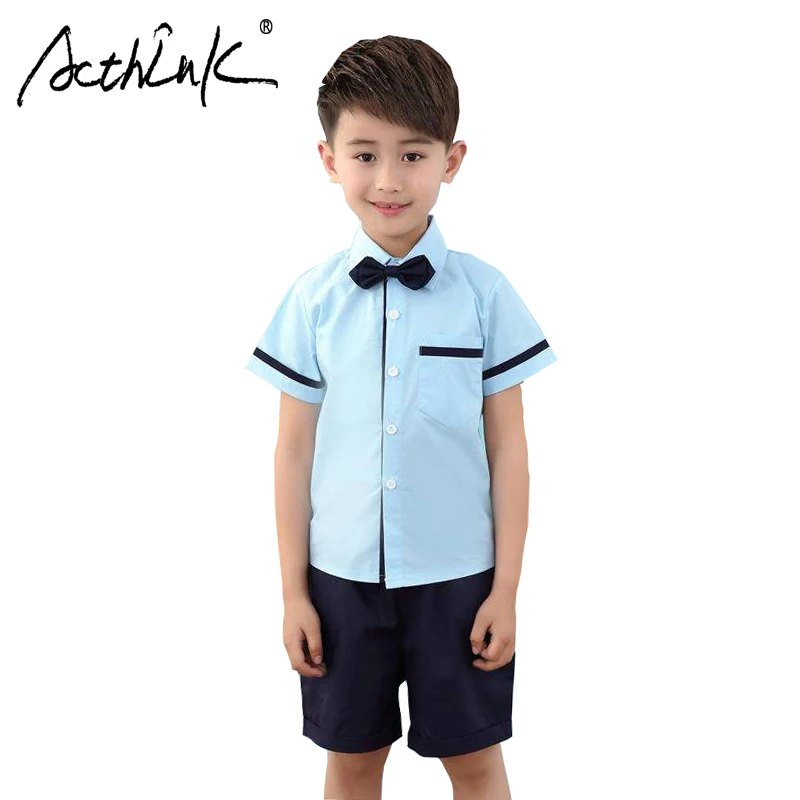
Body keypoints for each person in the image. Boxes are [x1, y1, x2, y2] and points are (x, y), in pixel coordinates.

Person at [245, 34, 557, 800]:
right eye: (365, 154)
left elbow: (510, 450)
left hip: (460, 581)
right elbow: (291, 452)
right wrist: (293, 593)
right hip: (340, 582)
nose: (388, 179)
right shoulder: (312, 301)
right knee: (352, 764)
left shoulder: (486, 295)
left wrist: (506, 589)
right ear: (329, 160)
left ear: (452, 160)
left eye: (413, 155)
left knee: (475, 764)